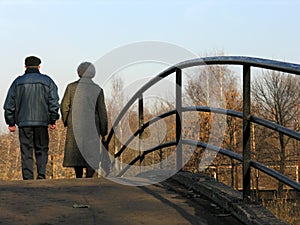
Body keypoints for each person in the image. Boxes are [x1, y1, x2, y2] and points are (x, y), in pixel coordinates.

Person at [3, 56, 60, 180]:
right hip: (42, 122)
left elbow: (9, 104)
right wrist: (53, 119)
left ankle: (28, 178)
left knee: (26, 151)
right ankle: (41, 175)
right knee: (42, 149)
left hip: (24, 123)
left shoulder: (17, 82)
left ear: (25, 67)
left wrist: (11, 122)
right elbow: (54, 102)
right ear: (39, 67)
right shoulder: (47, 81)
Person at [61, 62, 108, 178]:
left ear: (79, 72)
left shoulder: (71, 87)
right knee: (91, 153)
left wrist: (67, 121)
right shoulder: (98, 89)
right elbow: (102, 111)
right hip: (93, 126)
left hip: (75, 125)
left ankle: (78, 177)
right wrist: (104, 130)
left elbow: (64, 106)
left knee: (76, 152)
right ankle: (89, 178)